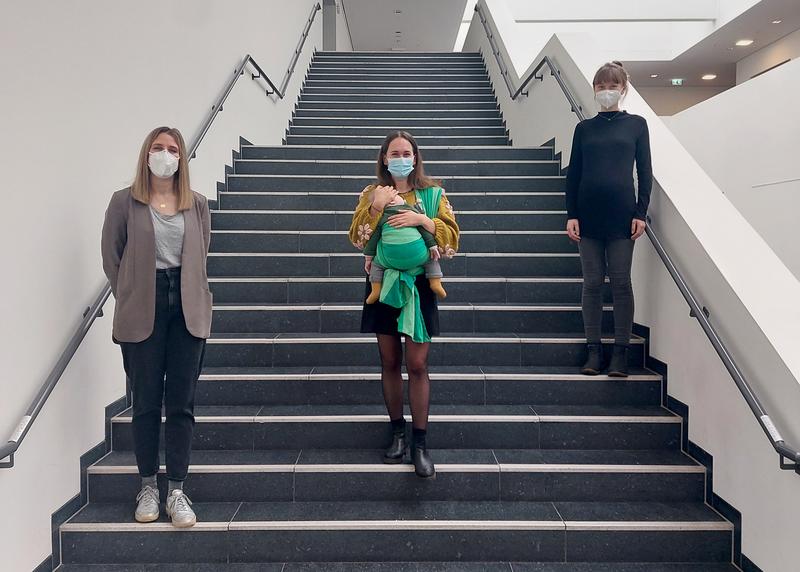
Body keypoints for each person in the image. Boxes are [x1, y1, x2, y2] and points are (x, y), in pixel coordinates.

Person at [101, 126, 212, 527]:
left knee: (181, 404)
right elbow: (112, 256)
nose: (165, 155)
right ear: (145, 154)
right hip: (143, 307)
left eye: (172, 149)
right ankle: (148, 485)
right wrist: (130, 294)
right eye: (157, 148)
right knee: (146, 403)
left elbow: (201, 257)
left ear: (182, 158)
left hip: (187, 308)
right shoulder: (124, 202)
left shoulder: (196, 204)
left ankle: (177, 491)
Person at [349, 131, 459, 478]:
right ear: (384, 158)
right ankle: (397, 432)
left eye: (406, 152)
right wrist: (378, 207)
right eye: (393, 152)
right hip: (383, 286)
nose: (400, 157)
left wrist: (423, 220)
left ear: (416, 157)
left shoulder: (433, 194)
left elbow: (452, 240)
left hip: (420, 284)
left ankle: (420, 443)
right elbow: (357, 238)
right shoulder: (371, 193)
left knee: (417, 362)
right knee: (389, 360)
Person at [565, 61, 653, 378]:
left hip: (622, 218)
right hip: (587, 218)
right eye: (600, 86)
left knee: (620, 283)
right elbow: (573, 174)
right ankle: (593, 351)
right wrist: (571, 214)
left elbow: (645, 173)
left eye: (611, 86)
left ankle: (620, 354)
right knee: (591, 284)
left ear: (623, 89)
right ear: (594, 90)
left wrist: (640, 213)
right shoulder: (584, 129)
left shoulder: (637, 125)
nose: (606, 91)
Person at [363, 192, 446, 305]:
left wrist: (369, 258)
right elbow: (424, 231)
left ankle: (376, 290)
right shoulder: (411, 211)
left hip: (389, 260)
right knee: (432, 260)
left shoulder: (382, 219)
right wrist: (432, 245)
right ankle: (436, 283)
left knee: (376, 266)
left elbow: (372, 240)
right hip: (418, 257)